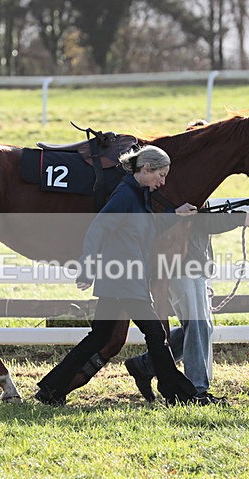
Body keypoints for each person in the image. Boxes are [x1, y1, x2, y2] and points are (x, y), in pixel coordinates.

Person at [35, 145, 200, 406]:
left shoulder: (138, 194)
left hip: (122, 280)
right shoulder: (125, 195)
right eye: (161, 175)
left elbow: (145, 226)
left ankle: (51, 389)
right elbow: (98, 228)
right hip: (124, 280)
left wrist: (175, 215)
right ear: (147, 168)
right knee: (155, 335)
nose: (163, 182)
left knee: (99, 337)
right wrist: (87, 266)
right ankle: (179, 394)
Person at [124, 205, 249, 405]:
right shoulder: (190, 189)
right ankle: (196, 390)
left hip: (191, 264)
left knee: (200, 327)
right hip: (184, 266)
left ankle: (146, 365)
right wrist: (238, 219)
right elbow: (201, 221)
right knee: (197, 326)